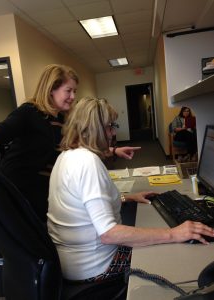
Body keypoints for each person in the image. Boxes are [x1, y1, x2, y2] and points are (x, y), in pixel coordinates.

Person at [47, 97, 214, 282]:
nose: (112, 133)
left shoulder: (66, 156)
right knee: (178, 255)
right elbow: (109, 234)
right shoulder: (87, 163)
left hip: (73, 261)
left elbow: (86, 207)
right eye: (110, 126)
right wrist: (174, 233)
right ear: (95, 128)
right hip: (97, 266)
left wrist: (128, 197)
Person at [0, 64, 140, 222]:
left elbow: (78, 144)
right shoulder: (29, 112)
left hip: (47, 186)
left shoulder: (62, 118)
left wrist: (114, 151)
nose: (73, 96)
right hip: (21, 187)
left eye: (75, 91)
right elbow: (0, 131)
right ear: (51, 89)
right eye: (68, 90)